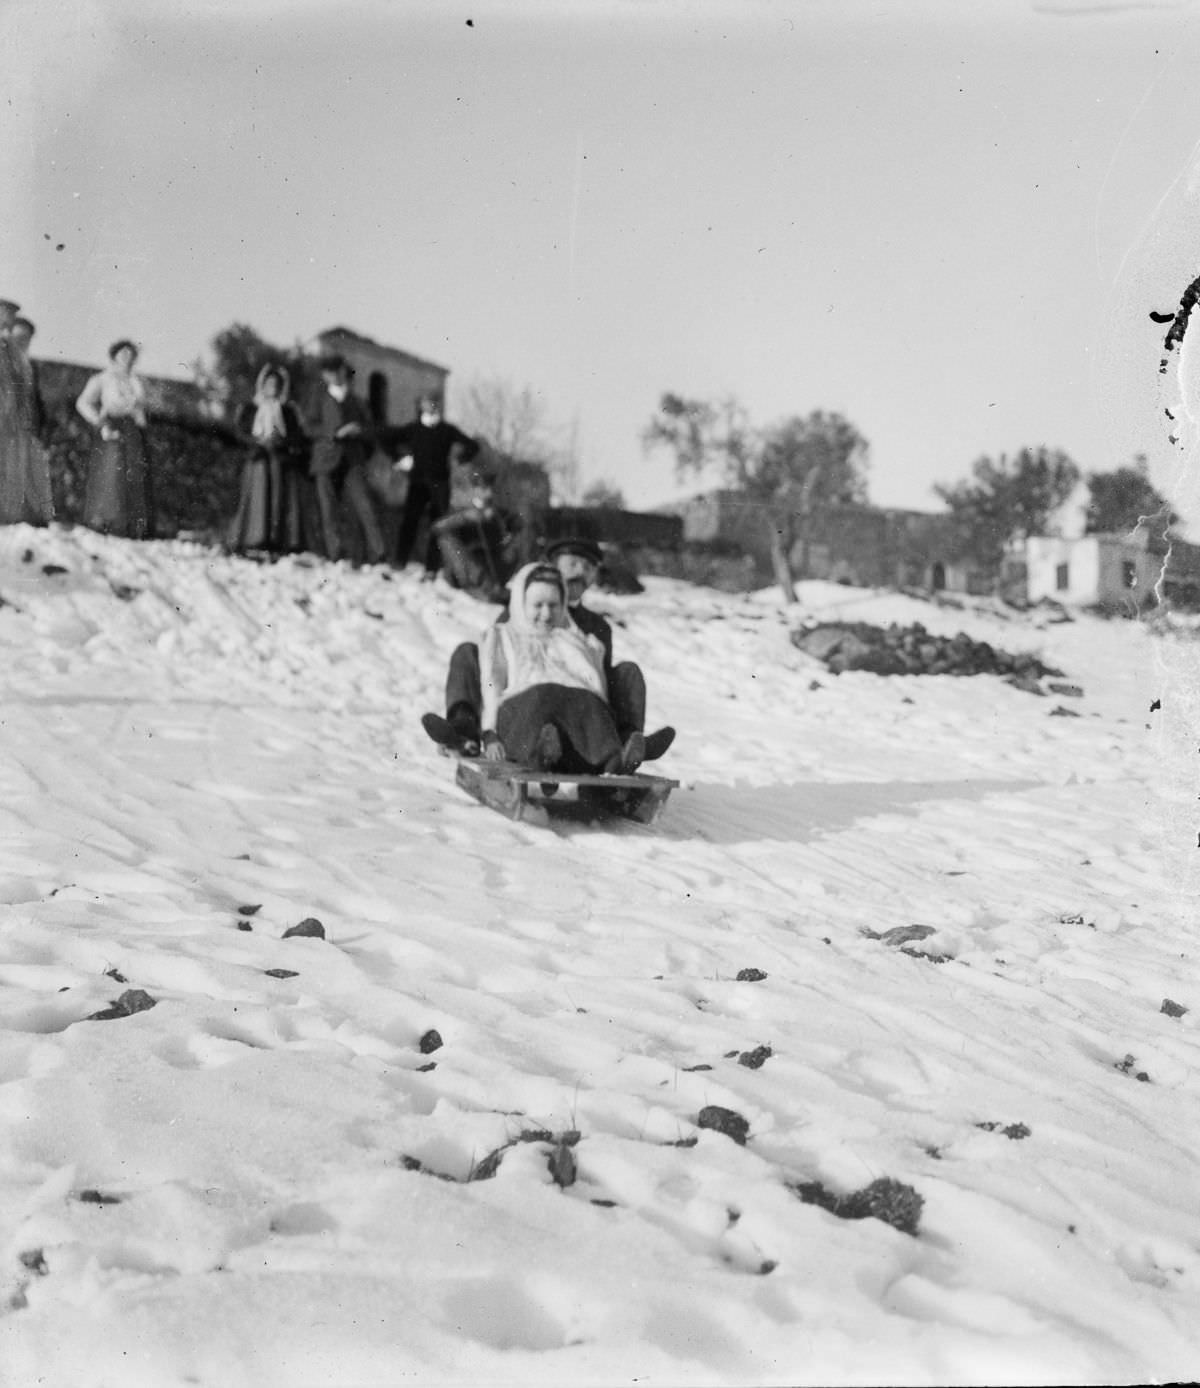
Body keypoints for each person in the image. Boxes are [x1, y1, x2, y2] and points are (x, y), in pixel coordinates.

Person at [423, 534, 675, 761]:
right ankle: (463, 732)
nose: (580, 573)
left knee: (627, 672)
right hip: (525, 696)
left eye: (588, 568)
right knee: (468, 653)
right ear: (552, 567)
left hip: (578, 706)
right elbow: (500, 665)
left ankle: (627, 744)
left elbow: (600, 680)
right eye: (573, 564)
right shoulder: (521, 611)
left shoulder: (597, 626)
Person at [478, 562, 642, 774]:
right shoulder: (504, 636)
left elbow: (596, 688)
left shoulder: (575, 640)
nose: (546, 614)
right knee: (543, 694)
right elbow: (492, 683)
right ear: (521, 603)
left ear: (563, 604)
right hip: (521, 713)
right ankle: (539, 754)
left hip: (571, 722)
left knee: (587, 701)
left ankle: (615, 760)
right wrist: (490, 735)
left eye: (553, 605)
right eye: (538, 605)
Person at [389, 392, 480, 577]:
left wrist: (461, 458)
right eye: (426, 402)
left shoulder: (447, 430)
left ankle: (431, 569)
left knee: (437, 525)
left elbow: (472, 446)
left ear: (438, 405)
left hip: (440, 485)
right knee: (409, 523)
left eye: (434, 403)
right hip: (418, 484)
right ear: (421, 405)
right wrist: (399, 458)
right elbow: (388, 437)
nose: (430, 406)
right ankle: (399, 563)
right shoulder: (413, 428)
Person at [305, 354, 384, 565]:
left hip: (353, 459)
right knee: (328, 508)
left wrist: (359, 432)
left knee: (365, 505)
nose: (334, 375)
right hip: (325, 459)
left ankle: (379, 553)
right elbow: (309, 427)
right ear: (325, 375)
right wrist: (334, 433)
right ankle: (336, 553)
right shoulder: (319, 399)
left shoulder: (357, 401)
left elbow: (370, 430)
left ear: (343, 371)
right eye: (329, 372)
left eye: (337, 370)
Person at [227, 363, 310, 555]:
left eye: (276, 384)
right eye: (269, 383)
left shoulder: (288, 410)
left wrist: (280, 441)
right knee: (257, 496)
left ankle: (276, 539)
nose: (272, 387)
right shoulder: (251, 408)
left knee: (279, 499)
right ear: (262, 385)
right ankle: (253, 538)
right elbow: (240, 432)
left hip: (280, 461)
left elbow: (298, 435)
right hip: (257, 458)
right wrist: (257, 441)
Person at [75, 339, 153, 539]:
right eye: (123, 354)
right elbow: (83, 402)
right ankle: (106, 522)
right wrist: (99, 422)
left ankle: (133, 526)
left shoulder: (137, 382)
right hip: (112, 427)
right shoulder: (102, 379)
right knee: (111, 473)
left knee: (134, 473)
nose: (127, 358)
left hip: (133, 431)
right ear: (114, 355)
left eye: (131, 354)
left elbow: (143, 407)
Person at [431, 469, 521, 602]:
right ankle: (478, 589)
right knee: (446, 540)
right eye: (483, 489)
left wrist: (502, 525)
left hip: (492, 566)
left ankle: (495, 589)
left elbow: (519, 526)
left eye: (490, 489)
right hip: (466, 567)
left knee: (516, 546)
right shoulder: (463, 511)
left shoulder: (500, 513)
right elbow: (436, 528)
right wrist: (464, 518)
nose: (488, 493)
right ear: (474, 490)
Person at [7, 317, 53, 526]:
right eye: (18, 336)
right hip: (5, 423)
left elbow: (36, 398)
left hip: (25, 425)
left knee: (28, 469)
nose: (22, 341)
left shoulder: (29, 364)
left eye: (26, 337)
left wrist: (40, 425)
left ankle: (26, 515)